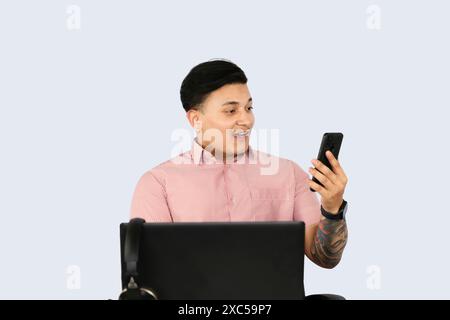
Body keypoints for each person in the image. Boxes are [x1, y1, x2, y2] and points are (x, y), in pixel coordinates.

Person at [130, 59, 349, 269]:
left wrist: (331, 209)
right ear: (196, 120)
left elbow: (324, 257)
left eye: (249, 108)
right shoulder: (158, 184)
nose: (246, 120)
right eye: (231, 110)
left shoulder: (289, 174)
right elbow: (155, 274)